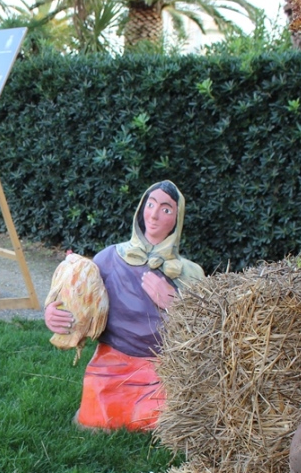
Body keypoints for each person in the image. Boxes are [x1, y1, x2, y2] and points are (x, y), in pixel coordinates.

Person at [44, 180, 204, 431]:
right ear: (141, 209)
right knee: (96, 415)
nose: (153, 215)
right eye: (150, 204)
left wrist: (175, 303)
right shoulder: (108, 259)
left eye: (165, 209)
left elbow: (204, 332)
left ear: (177, 218)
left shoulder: (190, 273)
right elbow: (81, 302)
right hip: (112, 362)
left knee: (162, 416)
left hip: (163, 366)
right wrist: (56, 314)